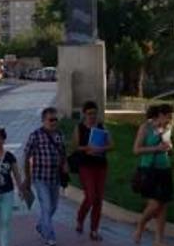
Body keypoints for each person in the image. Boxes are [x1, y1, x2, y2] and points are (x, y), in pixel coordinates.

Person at [23, 107, 67, 246]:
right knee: (46, 207)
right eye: (51, 119)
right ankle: (50, 237)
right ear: (43, 121)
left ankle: (41, 225)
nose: (54, 122)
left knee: (53, 207)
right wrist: (28, 178)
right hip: (40, 177)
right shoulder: (35, 135)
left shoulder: (59, 134)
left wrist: (65, 164)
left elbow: (63, 153)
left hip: (55, 178)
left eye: (55, 119)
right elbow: (26, 156)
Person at [133, 104, 174, 246]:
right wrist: (155, 148)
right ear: (160, 115)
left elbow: (168, 145)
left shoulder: (167, 128)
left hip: (165, 168)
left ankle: (158, 241)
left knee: (163, 205)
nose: (170, 120)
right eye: (168, 117)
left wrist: (170, 148)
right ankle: (141, 223)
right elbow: (136, 150)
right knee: (155, 204)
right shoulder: (146, 128)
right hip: (149, 169)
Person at [72, 100, 113, 241]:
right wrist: (87, 148)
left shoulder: (102, 127)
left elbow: (111, 144)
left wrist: (100, 148)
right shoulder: (79, 128)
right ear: (84, 114)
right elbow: (76, 146)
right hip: (86, 166)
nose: (92, 116)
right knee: (91, 196)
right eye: (89, 114)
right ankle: (80, 218)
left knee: (98, 199)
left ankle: (94, 229)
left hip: (101, 166)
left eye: (94, 113)